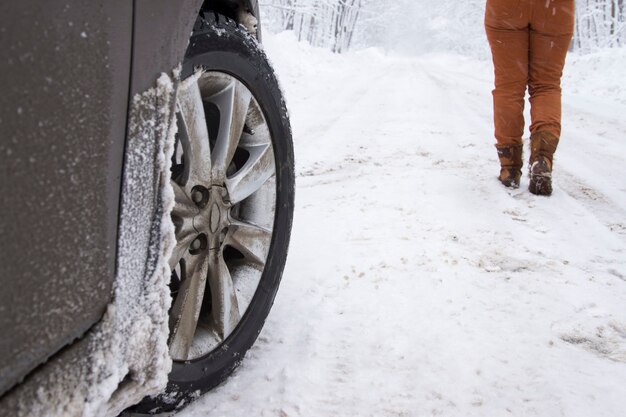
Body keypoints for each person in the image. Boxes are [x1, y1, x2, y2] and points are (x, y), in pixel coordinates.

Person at [485, 0, 575, 196]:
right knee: (546, 85)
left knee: (508, 87)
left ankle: (509, 168)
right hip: (555, 7)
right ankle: (542, 158)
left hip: (506, 7)